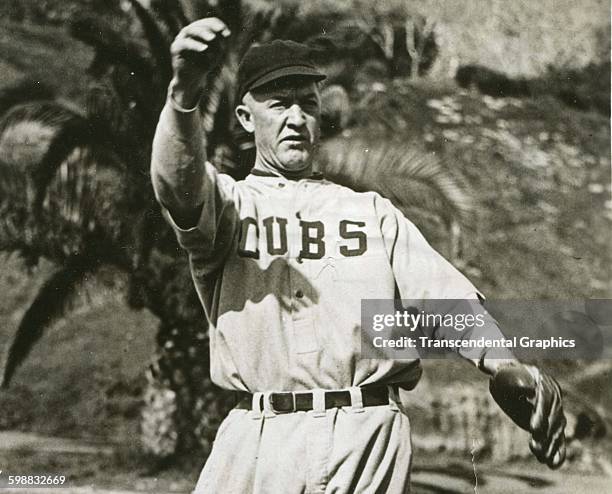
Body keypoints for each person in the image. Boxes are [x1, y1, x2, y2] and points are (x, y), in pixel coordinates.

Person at [150, 17, 566, 494]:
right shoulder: (229, 205)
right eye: (279, 104)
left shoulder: (370, 212)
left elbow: (445, 302)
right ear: (246, 118)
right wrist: (183, 94)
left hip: (366, 436)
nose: (296, 118)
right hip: (263, 437)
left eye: (307, 105)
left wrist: (502, 362)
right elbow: (177, 185)